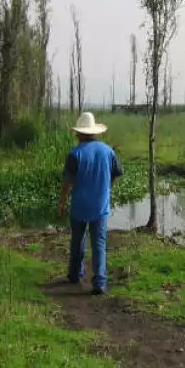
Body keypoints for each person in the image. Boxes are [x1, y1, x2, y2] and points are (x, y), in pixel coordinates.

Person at [57, 112, 123, 295]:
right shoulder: (108, 151)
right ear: (94, 132)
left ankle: (75, 274)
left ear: (79, 133)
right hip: (100, 206)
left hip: (79, 206)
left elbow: (67, 182)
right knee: (99, 243)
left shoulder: (75, 154)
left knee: (78, 240)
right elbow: (116, 173)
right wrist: (107, 188)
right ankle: (99, 282)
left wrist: (61, 202)